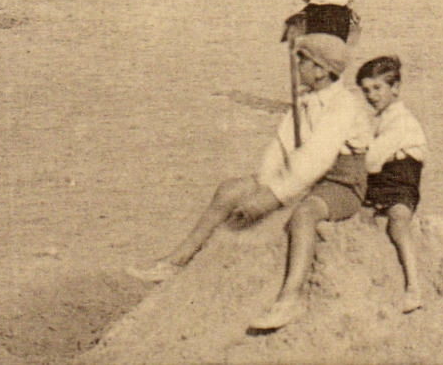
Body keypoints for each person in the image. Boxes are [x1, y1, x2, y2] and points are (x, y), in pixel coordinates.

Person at [129, 34, 372, 336]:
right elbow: (281, 147)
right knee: (230, 190)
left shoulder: (342, 106)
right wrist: (263, 184)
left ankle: (290, 297)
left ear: (321, 70)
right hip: (305, 176)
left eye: (303, 61)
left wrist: (273, 197)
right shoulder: (305, 101)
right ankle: (176, 261)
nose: (297, 66)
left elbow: (316, 158)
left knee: (304, 215)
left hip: (341, 182)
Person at [357, 56, 427, 313]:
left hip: (401, 183)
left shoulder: (402, 121)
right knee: (359, 221)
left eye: (377, 88)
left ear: (395, 88)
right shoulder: (382, 119)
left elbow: (372, 161)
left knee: (398, 222)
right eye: (366, 90)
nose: (371, 95)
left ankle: (413, 287)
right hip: (378, 184)